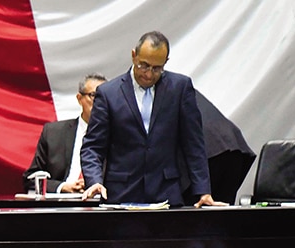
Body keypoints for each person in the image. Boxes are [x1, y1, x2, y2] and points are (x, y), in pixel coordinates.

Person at [80, 31, 223, 207]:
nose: (148, 74)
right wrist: (94, 180)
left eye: (156, 68)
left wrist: (203, 190)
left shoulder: (180, 88)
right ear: (134, 56)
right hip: (120, 195)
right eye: (144, 65)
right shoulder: (108, 93)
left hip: (167, 193)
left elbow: (194, 143)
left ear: (166, 62)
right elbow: (93, 147)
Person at [22, 74, 107, 193]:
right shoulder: (53, 133)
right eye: (93, 96)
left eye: (103, 97)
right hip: (60, 204)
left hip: (101, 204)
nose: (99, 102)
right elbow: (31, 179)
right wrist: (63, 187)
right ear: (79, 98)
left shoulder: (119, 135)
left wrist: (94, 182)